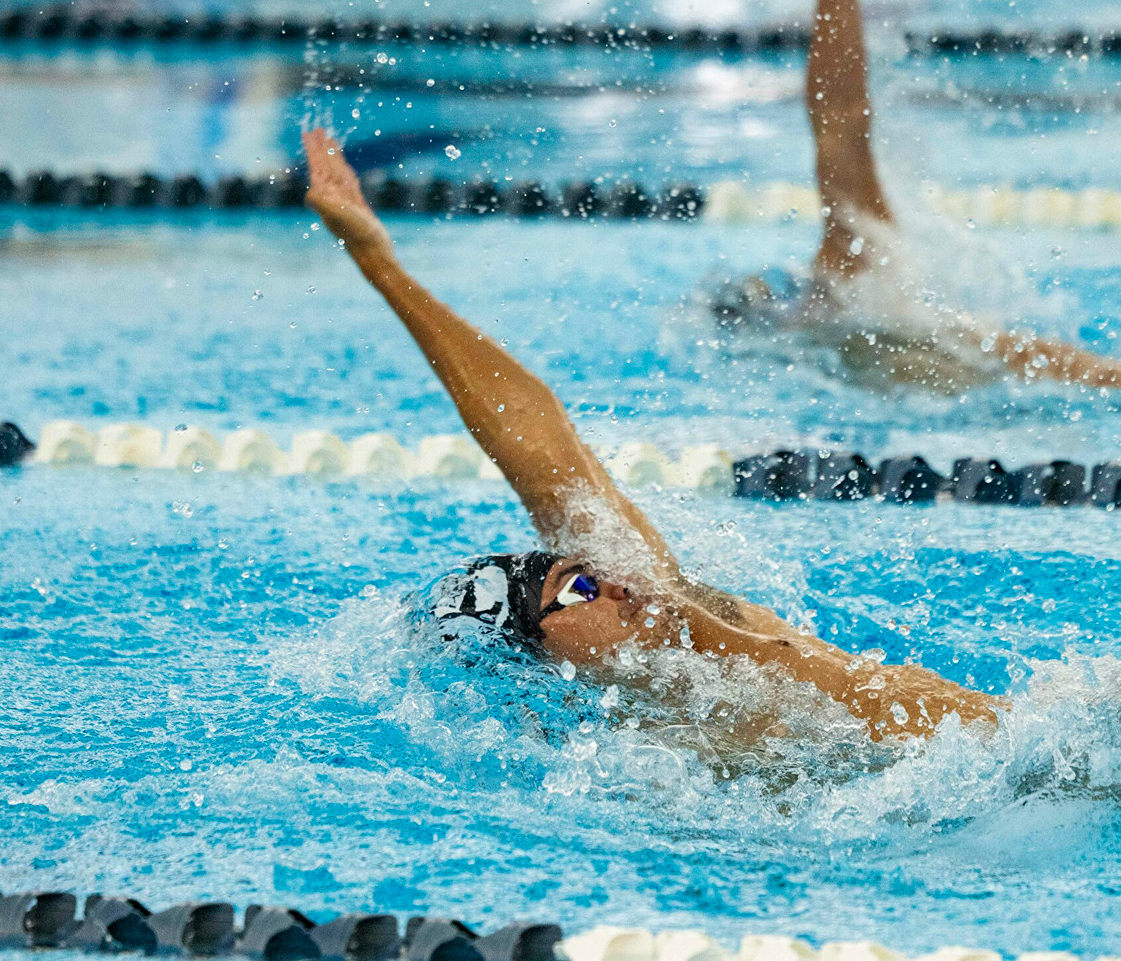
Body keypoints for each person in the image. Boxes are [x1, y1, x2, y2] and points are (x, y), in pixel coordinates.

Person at [300, 125, 1000, 742]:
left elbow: (540, 444)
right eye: (572, 591)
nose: (603, 581)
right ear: (536, 663)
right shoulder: (664, 751)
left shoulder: (674, 607)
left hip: (1016, 736)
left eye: (581, 571)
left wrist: (381, 266)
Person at [712, 0, 1121, 394]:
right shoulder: (856, 297)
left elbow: (841, 112)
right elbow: (837, 117)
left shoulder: (853, 270)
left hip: (1067, 389)